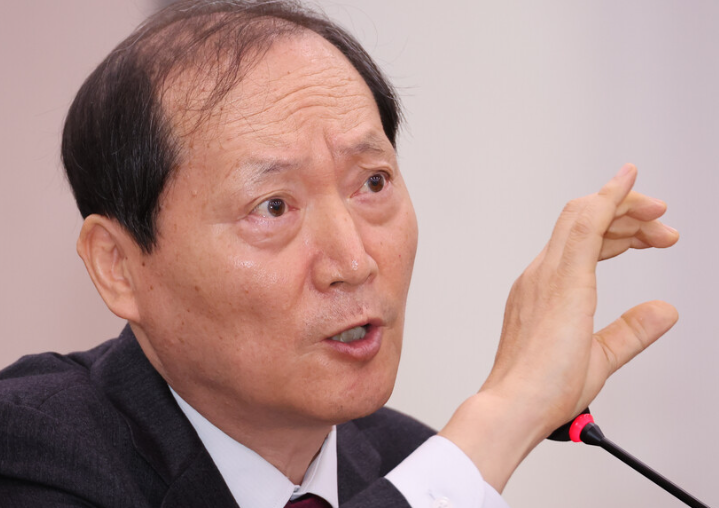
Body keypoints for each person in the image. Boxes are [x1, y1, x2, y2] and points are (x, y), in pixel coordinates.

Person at [0, 1, 679, 507]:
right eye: (274, 207)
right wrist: (506, 415)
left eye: (373, 183)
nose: (354, 262)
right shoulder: (32, 449)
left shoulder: (406, 461)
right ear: (119, 267)